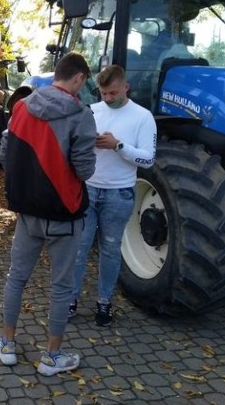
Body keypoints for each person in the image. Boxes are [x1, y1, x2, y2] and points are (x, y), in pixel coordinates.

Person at [0, 52, 97, 376]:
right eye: (84, 82)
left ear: (56, 74)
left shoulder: (21, 106)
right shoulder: (81, 114)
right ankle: (51, 357)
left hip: (28, 213)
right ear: (77, 78)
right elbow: (85, 169)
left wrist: (30, 181)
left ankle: (6, 344)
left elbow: (4, 153)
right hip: (65, 214)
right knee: (61, 287)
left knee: (16, 278)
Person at [69, 64, 157, 326]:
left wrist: (118, 145)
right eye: (103, 93)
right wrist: (87, 142)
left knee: (110, 249)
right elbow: (75, 144)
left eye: (113, 93)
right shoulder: (92, 111)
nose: (107, 98)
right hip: (89, 188)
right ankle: (70, 299)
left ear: (126, 87)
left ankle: (104, 302)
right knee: (78, 248)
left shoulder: (143, 116)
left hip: (119, 192)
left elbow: (149, 158)